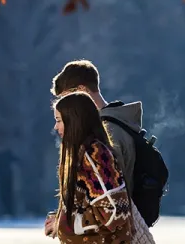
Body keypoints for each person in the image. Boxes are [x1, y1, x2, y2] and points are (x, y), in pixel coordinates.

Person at [44, 92, 138, 243]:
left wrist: (64, 224)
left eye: (59, 120)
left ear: (75, 121)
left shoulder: (94, 154)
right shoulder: (87, 152)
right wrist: (62, 218)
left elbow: (114, 211)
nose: (56, 127)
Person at [50, 60, 139, 195]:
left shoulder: (110, 131)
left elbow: (114, 193)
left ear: (82, 91)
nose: (64, 107)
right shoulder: (118, 123)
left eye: (67, 98)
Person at [0, 145, 20, 219]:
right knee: (3, 196)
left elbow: (17, 160)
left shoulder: (6, 155)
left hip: (7, 179)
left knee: (7, 196)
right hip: (3, 179)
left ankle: (8, 212)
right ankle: (4, 212)